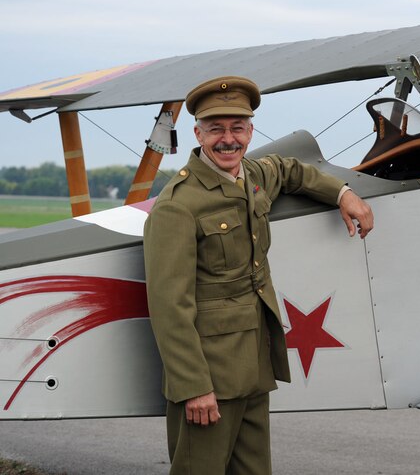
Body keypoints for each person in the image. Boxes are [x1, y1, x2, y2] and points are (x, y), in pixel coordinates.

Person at [143, 75, 374, 475]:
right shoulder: (178, 206)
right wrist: (194, 387)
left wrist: (343, 193)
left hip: (253, 366)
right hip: (210, 378)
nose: (228, 139)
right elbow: (169, 308)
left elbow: (291, 171)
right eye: (216, 130)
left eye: (237, 128)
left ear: (251, 132)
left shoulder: (251, 176)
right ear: (198, 133)